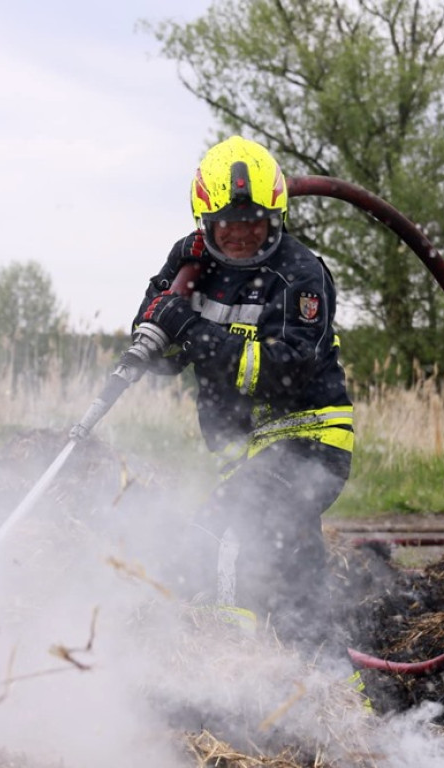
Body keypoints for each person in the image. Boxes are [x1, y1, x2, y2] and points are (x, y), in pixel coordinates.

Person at [130, 135, 354, 653]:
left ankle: (229, 670)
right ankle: (333, 689)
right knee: (296, 587)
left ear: (276, 217)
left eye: (254, 221)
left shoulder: (301, 275)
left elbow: (282, 373)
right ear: (204, 222)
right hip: (243, 455)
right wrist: (165, 296)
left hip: (307, 442)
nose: (240, 234)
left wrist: (193, 330)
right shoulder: (194, 264)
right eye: (226, 223)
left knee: (224, 534)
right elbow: (162, 358)